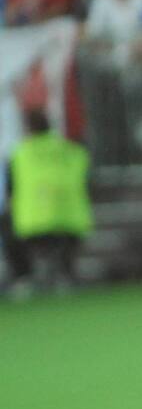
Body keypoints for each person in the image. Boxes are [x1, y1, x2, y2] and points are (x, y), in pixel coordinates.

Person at [0, 109, 92, 295]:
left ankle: (23, 277)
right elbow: (88, 181)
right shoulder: (72, 151)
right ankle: (66, 275)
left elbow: (11, 189)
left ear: (28, 129)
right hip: (70, 217)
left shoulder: (20, 153)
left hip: (33, 220)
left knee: (7, 223)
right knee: (64, 238)